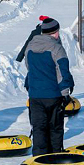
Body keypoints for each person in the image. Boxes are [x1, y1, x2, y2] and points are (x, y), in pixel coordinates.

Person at [25, 18, 74, 156]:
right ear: (55, 32)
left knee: (39, 128)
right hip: (53, 95)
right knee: (55, 128)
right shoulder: (56, 48)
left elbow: (29, 69)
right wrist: (65, 93)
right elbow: (63, 72)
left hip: (35, 95)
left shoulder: (29, 47)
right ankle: (55, 157)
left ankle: (39, 159)